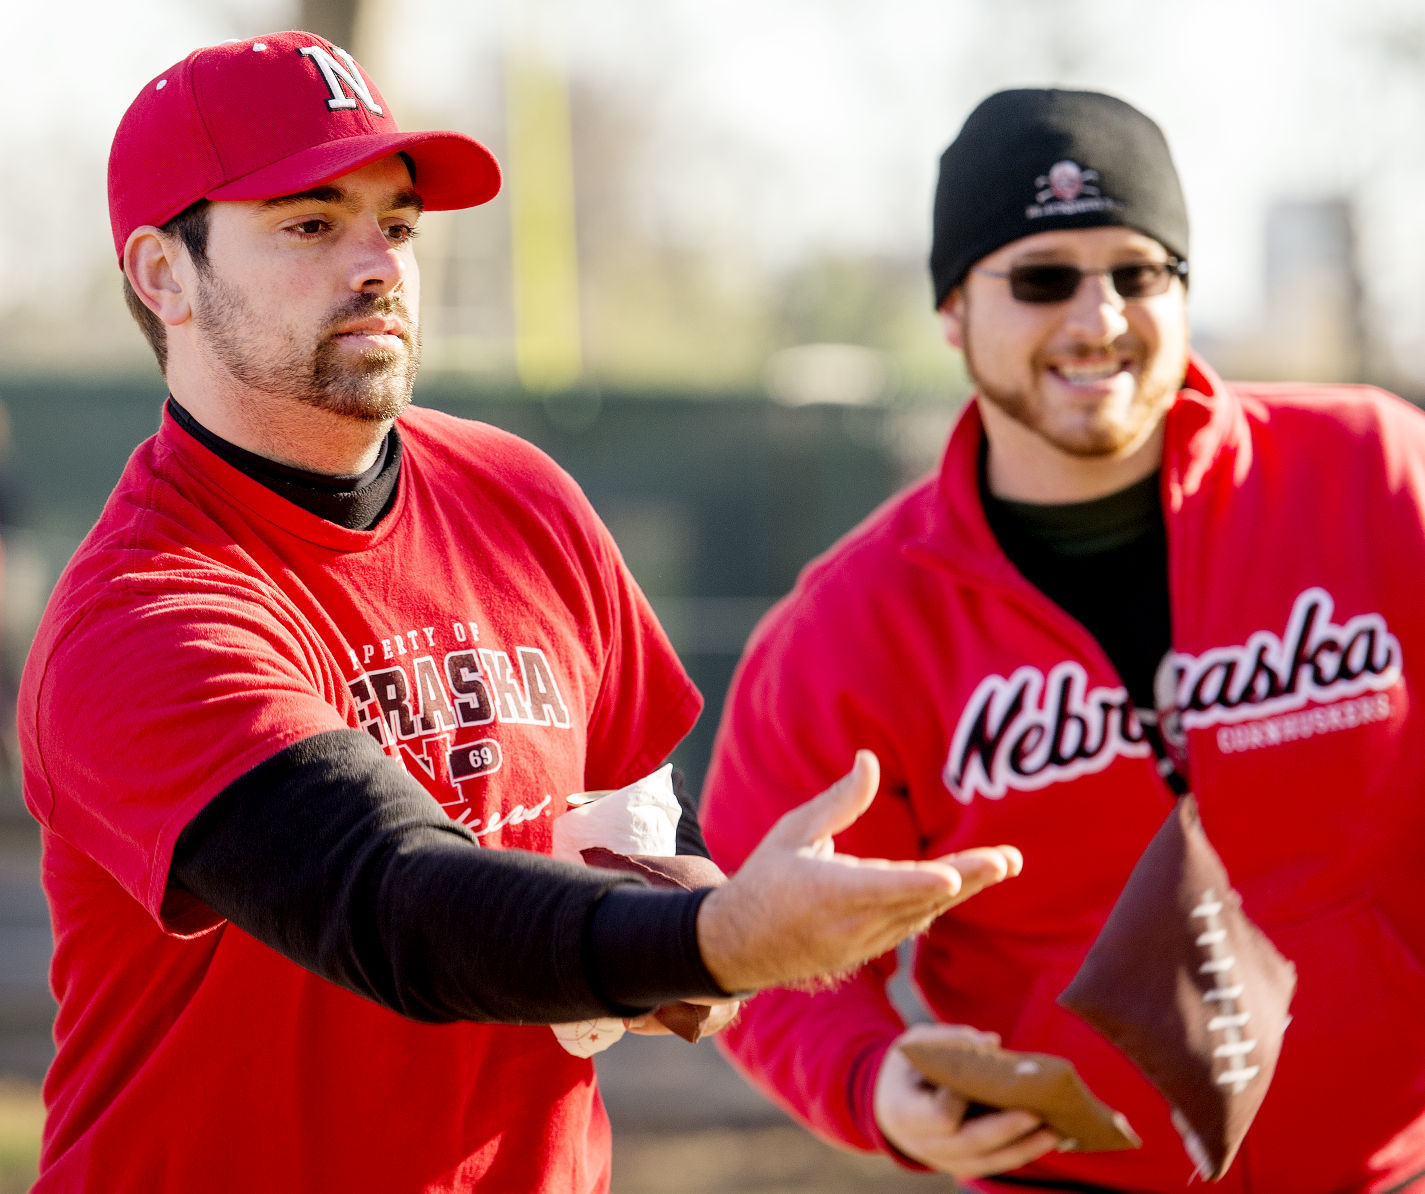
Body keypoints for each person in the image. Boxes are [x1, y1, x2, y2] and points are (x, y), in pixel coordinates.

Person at [17, 33, 1027, 1194]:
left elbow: (636, 810)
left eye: (395, 226)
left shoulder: (518, 493)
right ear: (162, 275)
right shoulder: (144, 610)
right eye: (309, 224)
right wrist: (725, 938)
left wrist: (688, 899)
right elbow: (390, 901)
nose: (379, 264)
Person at [699, 86, 1425, 1193]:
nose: (1098, 320)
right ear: (952, 311)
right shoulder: (852, 625)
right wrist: (870, 1079)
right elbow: (760, 941)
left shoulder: (1376, 477)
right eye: (1041, 279)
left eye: (1138, 273)